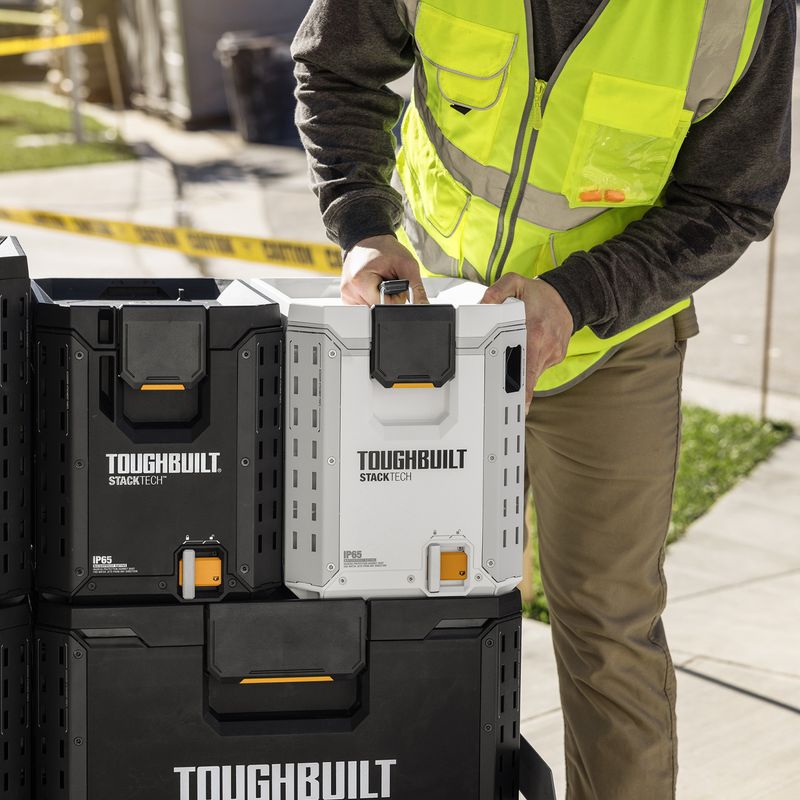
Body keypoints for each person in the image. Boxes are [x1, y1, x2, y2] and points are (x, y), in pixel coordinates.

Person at [292, 2, 796, 798]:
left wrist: (578, 297)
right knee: (396, 603)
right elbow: (335, 67)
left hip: (610, 347)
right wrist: (362, 222)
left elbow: (731, 198)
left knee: (608, 626)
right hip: (431, 334)